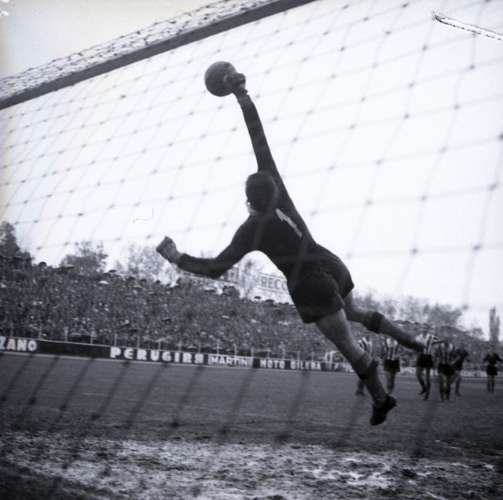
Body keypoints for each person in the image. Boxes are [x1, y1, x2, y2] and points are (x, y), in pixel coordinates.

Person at [157, 66, 437, 425]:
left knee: (349, 347)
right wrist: (242, 95)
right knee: (355, 312)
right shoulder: (280, 193)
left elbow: (216, 268)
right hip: (330, 262)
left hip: (309, 284)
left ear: (249, 200)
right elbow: (258, 138)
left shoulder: (251, 230)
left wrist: (177, 257)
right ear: (271, 187)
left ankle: (382, 399)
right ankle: (410, 340)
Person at [415, 327, 435, 401]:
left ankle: (427, 393)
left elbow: (439, 342)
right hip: (420, 356)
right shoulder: (418, 337)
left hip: (428, 356)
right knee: (418, 374)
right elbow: (414, 344)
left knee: (427, 376)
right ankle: (424, 387)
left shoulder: (432, 337)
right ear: (421, 329)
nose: (424, 330)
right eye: (423, 328)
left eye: (426, 328)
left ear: (428, 330)